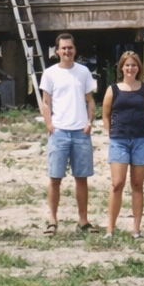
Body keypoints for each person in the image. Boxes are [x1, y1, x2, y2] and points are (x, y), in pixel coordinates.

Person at [40, 32, 98, 234]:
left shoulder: (83, 72)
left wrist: (89, 122)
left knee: (81, 178)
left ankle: (83, 220)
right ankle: (53, 220)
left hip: (81, 132)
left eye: (70, 48)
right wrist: (50, 126)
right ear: (57, 51)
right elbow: (45, 102)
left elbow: (90, 100)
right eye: (63, 48)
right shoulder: (50, 73)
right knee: (55, 178)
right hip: (59, 132)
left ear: (75, 49)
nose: (67, 51)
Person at [101, 50, 144, 239]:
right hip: (119, 140)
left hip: (141, 139)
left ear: (138, 68)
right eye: (127, 65)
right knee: (117, 184)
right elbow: (105, 114)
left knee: (137, 185)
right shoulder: (113, 89)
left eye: (134, 65)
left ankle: (136, 229)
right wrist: (111, 133)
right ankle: (110, 228)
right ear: (122, 67)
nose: (130, 68)